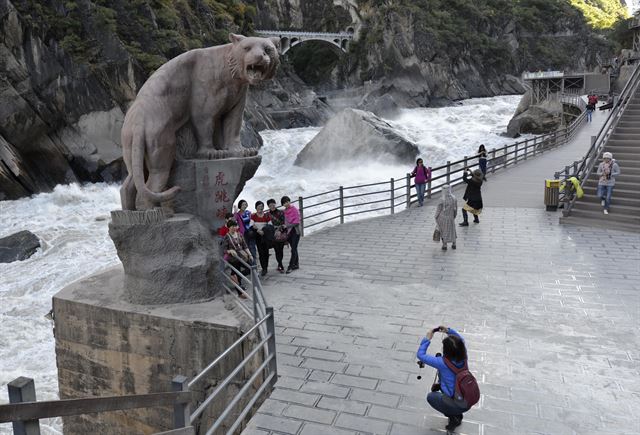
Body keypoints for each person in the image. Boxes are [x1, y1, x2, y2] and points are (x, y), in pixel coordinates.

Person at [417, 326, 471, 431]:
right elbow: (461, 340)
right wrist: (448, 331)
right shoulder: (464, 356)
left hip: (456, 401)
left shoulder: (442, 362)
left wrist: (427, 338)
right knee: (446, 380)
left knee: (431, 397)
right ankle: (456, 413)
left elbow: (421, 355)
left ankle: (453, 417)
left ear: (446, 350)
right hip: (467, 396)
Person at [222, 220, 253, 299]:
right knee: (236, 272)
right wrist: (230, 250)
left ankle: (235, 276)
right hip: (233, 259)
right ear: (228, 227)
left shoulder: (240, 234)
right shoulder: (226, 236)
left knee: (249, 269)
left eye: (235, 226)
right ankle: (240, 293)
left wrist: (250, 254)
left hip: (242, 257)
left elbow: (245, 246)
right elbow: (224, 249)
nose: (234, 228)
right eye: (232, 226)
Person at [251, 201, 272, 276]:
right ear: (256, 207)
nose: (260, 207)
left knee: (266, 252)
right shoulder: (253, 216)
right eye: (259, 206)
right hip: (258, 236)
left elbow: (270, 225)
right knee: (261, 252)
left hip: (265, 236)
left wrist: (263, 230)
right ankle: (264, 268)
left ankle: (265, 267)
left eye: (261, 206)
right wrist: (258, 230)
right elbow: (252, 225)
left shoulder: (266, 215)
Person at [281, 195, 300, 274]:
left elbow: (297, 222)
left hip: (295, 231)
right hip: (289, 232)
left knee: (293, 249)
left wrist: (287, 226)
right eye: (284, 203)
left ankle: (290, 266)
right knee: (294, 248)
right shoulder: (285, 211)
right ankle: (296, 264)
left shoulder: (294, 209)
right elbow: (284, 221)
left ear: (289, 201)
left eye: (287, 201)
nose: (286, 203)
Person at [435, 185, 457, 251]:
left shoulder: (442, 199)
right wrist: (454, 216)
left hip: (443, 218)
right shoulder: (454, 198)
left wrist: (436, 217)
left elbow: (438, 209)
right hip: (451, 217)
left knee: (443, 231)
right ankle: (454, 244)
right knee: (452, 230)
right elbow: (455, 209)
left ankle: (444, 245)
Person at [267, 198, 286, 273]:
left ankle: (280, 264)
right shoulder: (267, 215)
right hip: (272, 235)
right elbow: (267, 225)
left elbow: (284, 223)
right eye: (270, 205)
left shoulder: (281, 212)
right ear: (268, 206)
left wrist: (279, 230)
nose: (272, 206)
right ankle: (280, 265)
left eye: (273, 204)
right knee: (276, 250)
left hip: (280, 234)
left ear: (275, 204)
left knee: (280, 250)